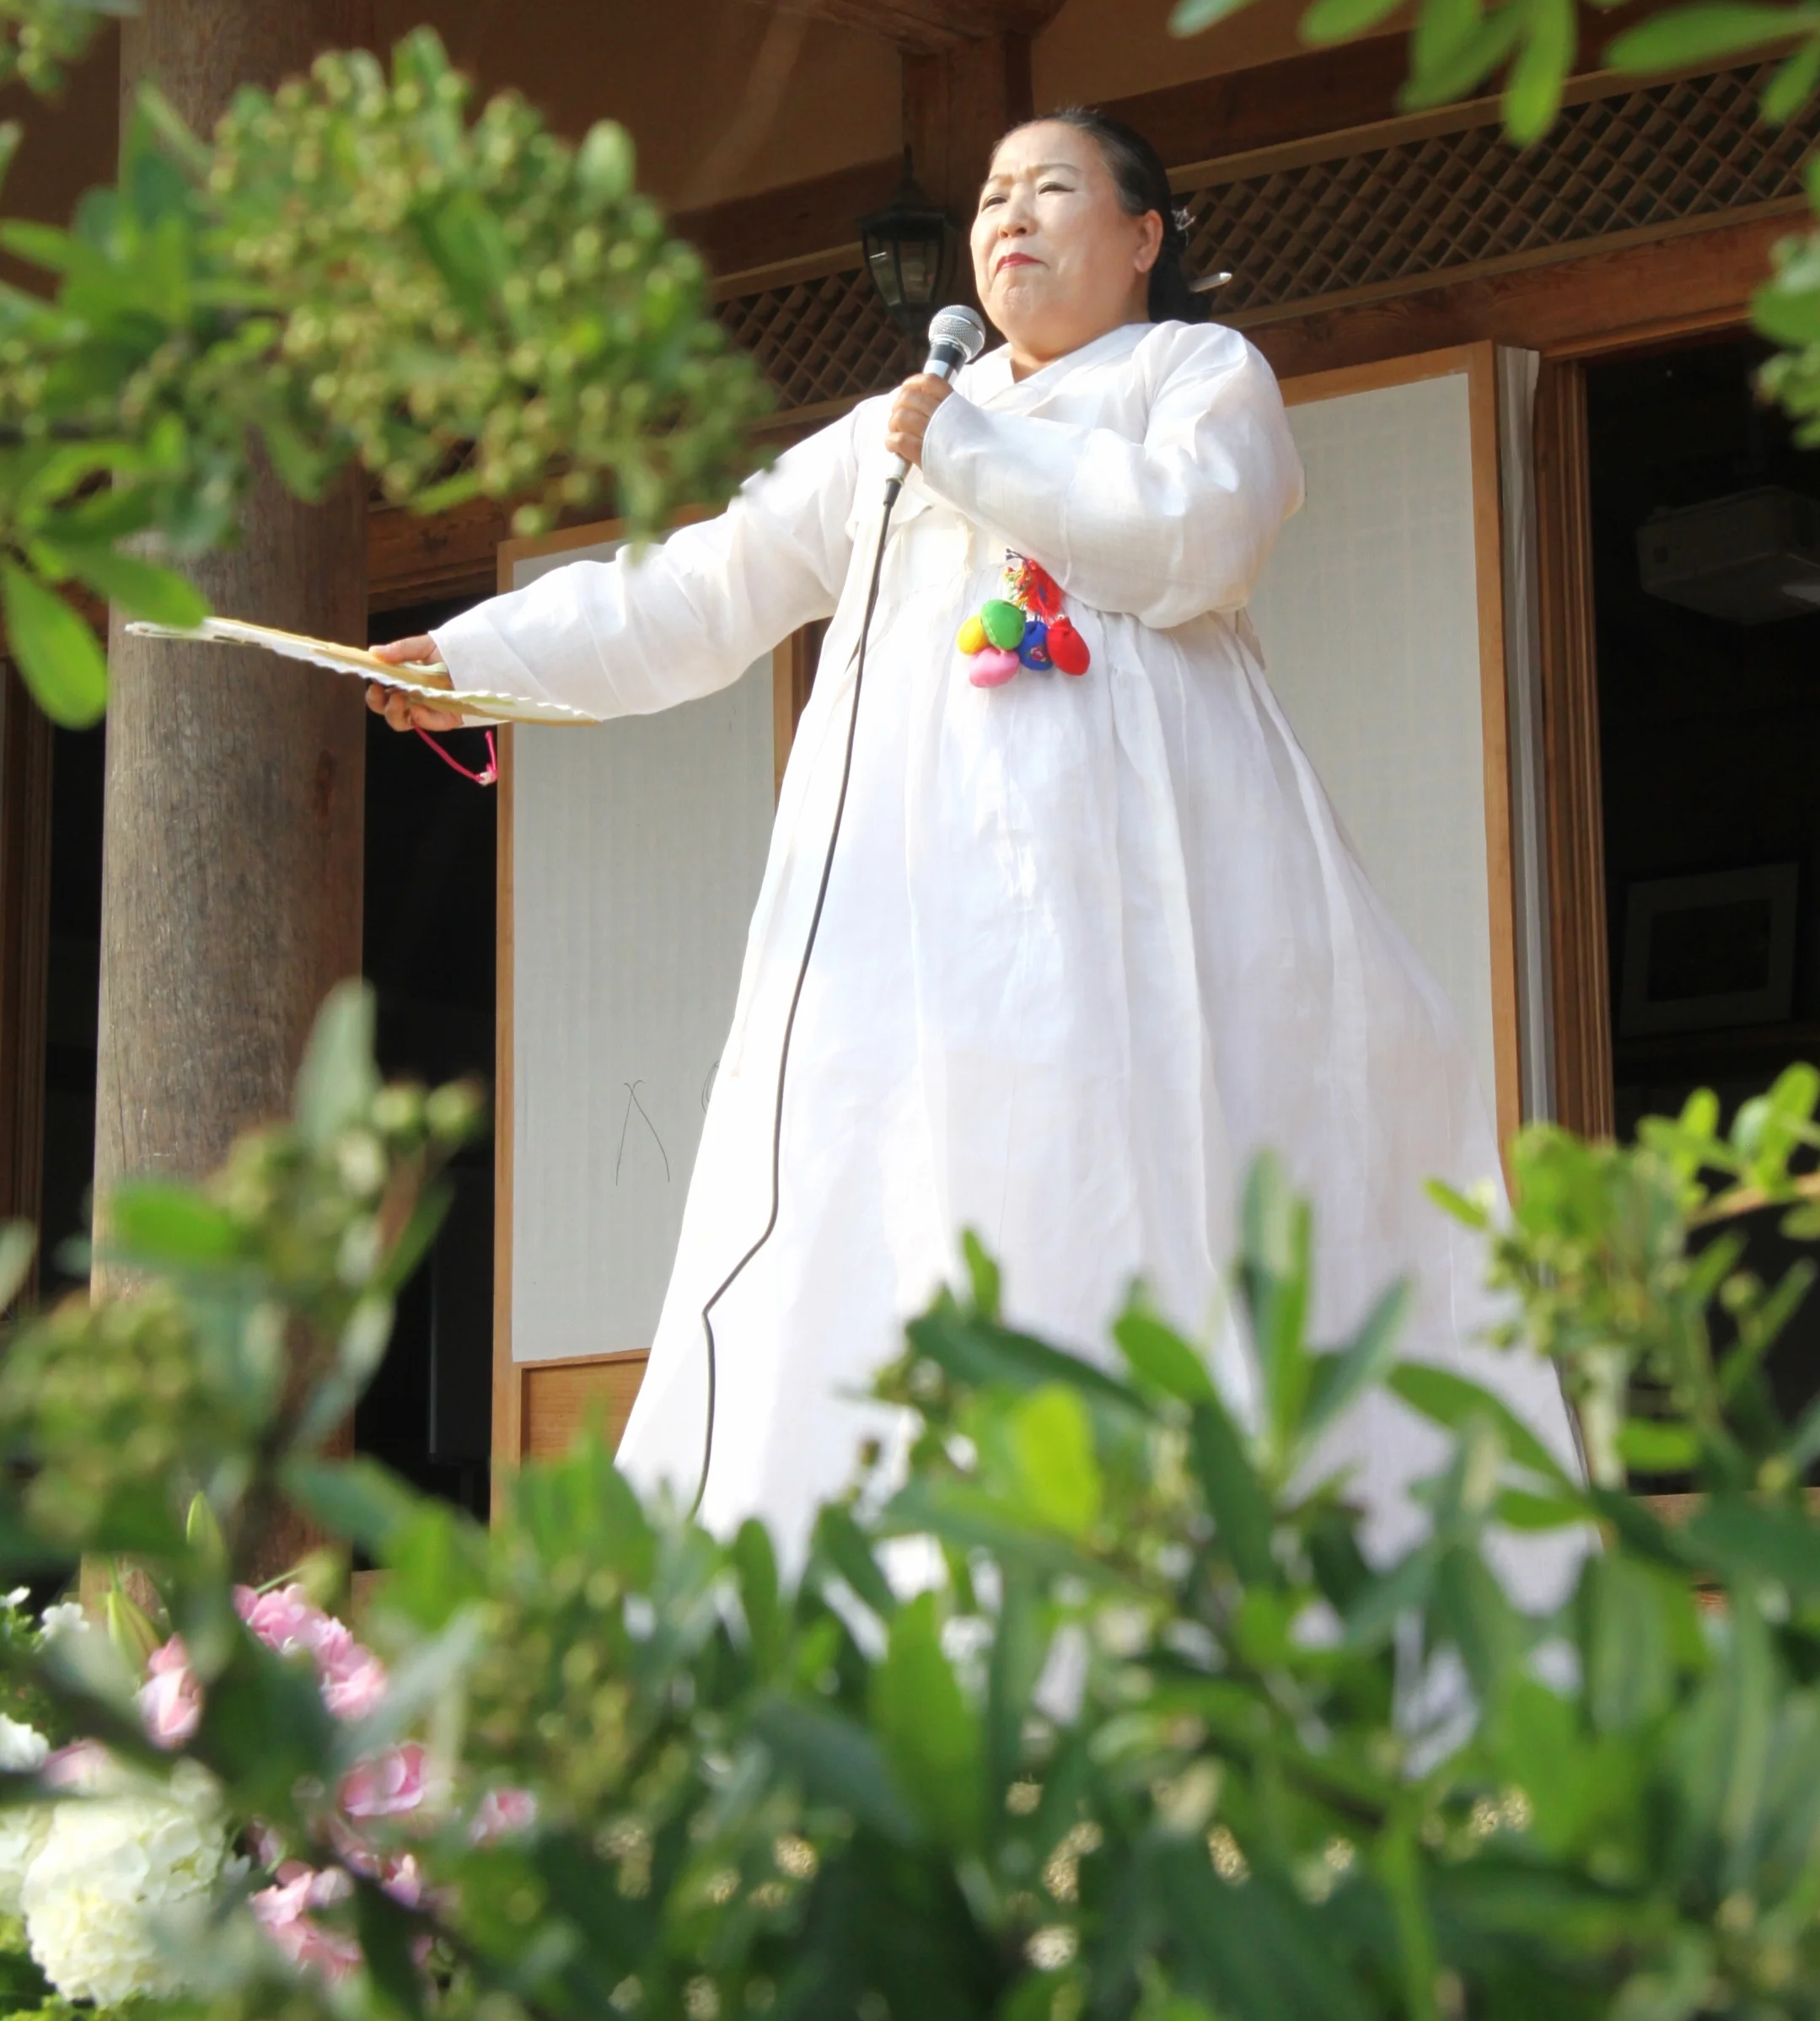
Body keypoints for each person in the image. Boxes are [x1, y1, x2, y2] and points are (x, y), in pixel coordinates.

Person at [370, 110, 1575, 1550]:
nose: (1008, 215)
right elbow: (694, 596)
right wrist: (474, 654)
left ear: (1142, 238)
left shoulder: (1193, 372)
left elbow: (1193, 543)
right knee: (899, 1194)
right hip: (920, 888)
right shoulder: (889, 434)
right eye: (992, 192)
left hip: (1150, 881)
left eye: (1053, 188)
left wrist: (974, 452)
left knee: (1148, 1179)